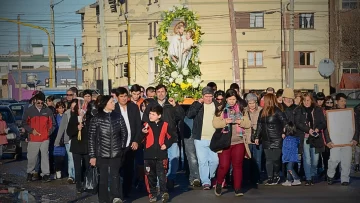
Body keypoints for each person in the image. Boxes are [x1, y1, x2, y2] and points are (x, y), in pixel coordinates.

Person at [142, 84, 184, 191]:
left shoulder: (170, 104)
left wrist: (175, 106)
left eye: (162, 91)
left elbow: (181, 116)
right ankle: (158, 182)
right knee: (158, 161)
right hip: (157, 137)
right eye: (158, 92)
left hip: (171, 135)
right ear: (155, 93)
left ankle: (170, 178)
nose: (161, 94)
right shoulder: (152, 105)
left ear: (166, 92)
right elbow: (145, 119)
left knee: (174, 157)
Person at [88, 95, 128, 203]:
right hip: (101, 153)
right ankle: (103, 199)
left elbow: (124, 133)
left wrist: (122, 147)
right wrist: (92, 156)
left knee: (115, 175)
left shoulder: (118, 116)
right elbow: (91, 138)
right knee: (103, 178)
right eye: (112, 102)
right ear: (105, 104)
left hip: (116, 152)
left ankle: (116, 197)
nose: (114, 103)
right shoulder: (96, 118)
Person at [212, 89, 251, 196]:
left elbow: (248, 123)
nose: (232, 101)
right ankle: (219, 183)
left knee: (237, 165)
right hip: (225, 142)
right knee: (224, 166)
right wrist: (225, 121)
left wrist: (241, 121)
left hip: (238, 141)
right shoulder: (220, 109)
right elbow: (215, 124)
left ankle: (237, 188)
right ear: (226, 99)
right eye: (230, 99)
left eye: (234, 99)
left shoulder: (242, 109)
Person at [135, 106, 175, 203]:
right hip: (149, 155)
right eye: (150, 114)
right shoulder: (145, 125)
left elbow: (173, 137)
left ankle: (164, 193)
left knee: (162, 175)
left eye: (153, 114)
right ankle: (152, 194)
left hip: (161, 155)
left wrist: (166, 144)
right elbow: (139, 140)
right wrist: (142, 133)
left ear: (159, 115)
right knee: (150, 176)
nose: (151, 116)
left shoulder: (165, 125)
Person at [187, 87, 218, 189]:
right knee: (202, 161)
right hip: (200, 137)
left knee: (215, 161)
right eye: (206, 96)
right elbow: (189, 115)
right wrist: (198, 104)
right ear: (202, 96)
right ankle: (205, 181)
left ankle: (212, 176)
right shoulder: (198, 105)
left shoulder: (216, 105)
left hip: (214, 137)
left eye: (210, 96)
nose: (208, 99)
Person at [325, 93, 358, 186]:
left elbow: (356, 126)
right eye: (342, 100)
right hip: (335, 141)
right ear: (337, 101)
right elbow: (327, 128)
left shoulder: (350, 113)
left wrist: (355, 138)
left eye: (345, 101)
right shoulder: (331, 113)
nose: (344, 102)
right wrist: (328, 141)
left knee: (346, 161)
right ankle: (330, 175)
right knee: (334, 160)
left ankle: (345, 179)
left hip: (348, 141)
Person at [114, 87, 142, 198]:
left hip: (131, 143)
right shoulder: (114, 108)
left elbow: (138, 125)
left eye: (125, 96)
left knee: (129, 169)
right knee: (118, 169)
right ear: (117, 97)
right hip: (118, 144)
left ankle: (127, 191)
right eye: (121, 96)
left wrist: (136, 141)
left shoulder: (133, 107)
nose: (124, 98)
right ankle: (118, 192)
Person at [253, 93, 287, 186]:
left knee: (275, 159)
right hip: (266, 139)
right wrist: (257, 136)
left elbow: (285, 123)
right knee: (268, 159)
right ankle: (270, 177)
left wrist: (284, 132)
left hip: (277, 138)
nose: (263, 101)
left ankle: (276, 175)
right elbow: (259, 125)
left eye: (265, 99)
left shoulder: (277, 111)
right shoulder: (262, 111)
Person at [294, 93, 326, 186]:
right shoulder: (299, 110)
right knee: (307, 158)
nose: (306, 102)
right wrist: (308, 130)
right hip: (305, 137)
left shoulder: (318, 110)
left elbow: (323, 123)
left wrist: (317, 129)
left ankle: (312, 175)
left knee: (315, 160)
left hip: (316, 137)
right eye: (304, 100)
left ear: (311, 100)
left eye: (308, 100)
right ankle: (308, 178)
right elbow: (298, 123)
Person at [22, 93, 56, 182]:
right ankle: (30, 173)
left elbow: (53, 124)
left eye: (42, 103)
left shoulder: (48, 111)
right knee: (32, 157)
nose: (40, 105)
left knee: (45, 156)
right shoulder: (29, 111)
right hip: (33, 138)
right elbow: (24, 123)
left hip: (45, 138)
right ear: (34, 101)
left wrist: (48, 133)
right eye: (38, 103)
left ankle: (45, 174)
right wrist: (31, 131)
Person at [54, 96, 76, 184]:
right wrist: (57, 141)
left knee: (76, 159)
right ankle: (71, 176)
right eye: (72, 106)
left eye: (75, 106)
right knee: (70, 158)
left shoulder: (81, 113)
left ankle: (76, 174)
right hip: (68, 140)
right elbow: (61, 128)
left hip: (79, 140)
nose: (74, 108)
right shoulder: (66, 114)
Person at [244, 93, 262, 185]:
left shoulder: (261, 110)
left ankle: (257, 177)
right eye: (250, 103)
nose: (252, 105)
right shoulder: (244, 111)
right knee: (248, 159)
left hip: (257, 138)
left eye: (253, 102)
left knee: (258, 159)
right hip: (247, 138)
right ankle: (248, 177)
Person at [281, 122, 301, 186]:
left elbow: (288, 149)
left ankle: (296, 179)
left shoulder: (288, 139)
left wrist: (285, 157)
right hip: (292, 156)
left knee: (289, 168)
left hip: (290, 156)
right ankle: (289, 180)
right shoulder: (294, 138)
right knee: (288, 168)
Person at [53, 102, 66, 179]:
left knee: (64, 157)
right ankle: (57, 171)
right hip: (57, 139)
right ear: (57, 109)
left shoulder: (66, 116)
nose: (61, 109)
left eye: (63, 107)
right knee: (57, 157)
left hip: (64, 139)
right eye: (60, 108)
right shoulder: (55, 117)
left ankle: (63, 171)